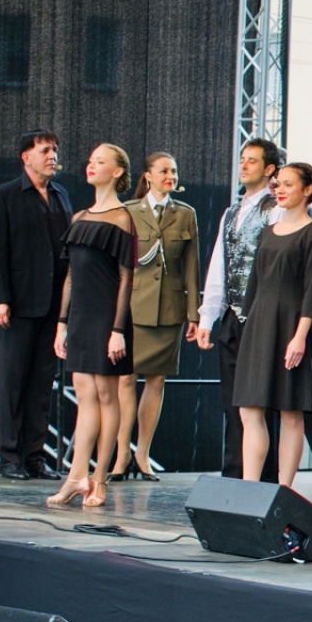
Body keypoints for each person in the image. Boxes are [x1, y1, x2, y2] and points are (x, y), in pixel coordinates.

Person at [47, 145, 136, 507]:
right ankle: (76, 476)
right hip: (81, 317)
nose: (91, 165)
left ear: (116, 172)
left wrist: (117, 330)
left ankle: (101, 480)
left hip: (107, 316)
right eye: (90, 160)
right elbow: (70, 276)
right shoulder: (80, 216)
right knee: (84, 397)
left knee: (106, 396)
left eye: (100, 161)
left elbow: (126, 279)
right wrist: (62, 325)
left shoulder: (121, 218)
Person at [0, 129, 72, 481]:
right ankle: (9, 457)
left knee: (41, 384)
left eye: (55, 150)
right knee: (13, 382)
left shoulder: (61, 195)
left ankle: (35, 456)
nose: (52, 155)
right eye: (46, 150)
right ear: (26, 157)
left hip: (51, 305)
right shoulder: (5, 195)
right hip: (18, 304)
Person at [234, 164, 312, 488]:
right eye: (278, 184)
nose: (280, 189)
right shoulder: (267, 231)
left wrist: (299, 337)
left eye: (288, 184)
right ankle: (250, 486)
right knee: (250, 408)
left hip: (290, 326)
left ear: (307, 190)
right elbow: (255, 284)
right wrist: (248, 327)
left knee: (291, 412)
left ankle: (284, 490)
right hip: (260, 324)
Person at [195, 139, 283, 478]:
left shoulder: (275, 208)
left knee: (258, 404)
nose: (243, 165)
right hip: (232, 315)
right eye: (242, 159)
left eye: (252, 161)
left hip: (261, 316)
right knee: (232, 401)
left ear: (269, 169)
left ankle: (262, 478)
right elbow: (220, 263)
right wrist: (208, 316)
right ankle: (233, 475)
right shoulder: (231, 211)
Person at [116, 152, 200, 480]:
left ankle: (142, 454)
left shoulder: (186, 215)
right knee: (125, 378)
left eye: (174, 171)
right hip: (133, 307)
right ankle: (121, 453)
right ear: (147, 175)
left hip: (169, 310)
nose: (170, 175)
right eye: (163, 170)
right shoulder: (127, 211)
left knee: (156, 380)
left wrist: (193, 314)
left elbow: (192, 267)